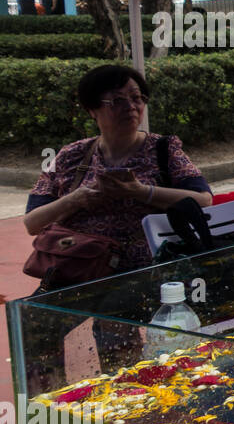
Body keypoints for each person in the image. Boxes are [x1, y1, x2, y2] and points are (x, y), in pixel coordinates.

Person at [25, 65, 214, 279]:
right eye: (117, 101)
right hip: (80, 273)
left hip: (154, 272)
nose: (131, 106)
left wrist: (141, 192)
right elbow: (32, 223)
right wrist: (76, 199)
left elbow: (203, 200)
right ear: (92, 110)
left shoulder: (164, 149)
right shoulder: (70, 155)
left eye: (137, 98)